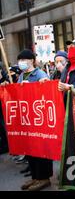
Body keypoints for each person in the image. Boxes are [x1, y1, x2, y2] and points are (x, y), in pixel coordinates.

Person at [16, 49, 53, 191]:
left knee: (41, 149)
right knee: (30, 149)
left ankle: (44, 178)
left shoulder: (40, 74)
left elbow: (48, 95)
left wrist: (33, 87)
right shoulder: (21, 75)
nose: (21, 63)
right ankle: (35, 177)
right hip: (27, 118)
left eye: (23, 60)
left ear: (31, 61)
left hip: (39, 119)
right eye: (19, 60)